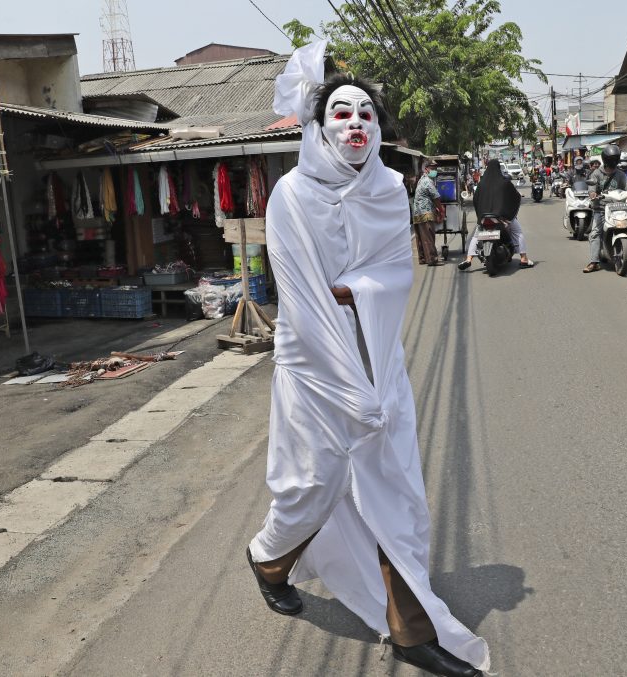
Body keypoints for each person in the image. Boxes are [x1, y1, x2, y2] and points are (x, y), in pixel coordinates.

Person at [248, 40, 488, 677]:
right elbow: (301, 299)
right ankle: (269, 559)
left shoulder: (388, 188)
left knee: (398, 494)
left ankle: (411, 630)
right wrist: (354, 392)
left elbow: (393, 270)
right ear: (319, 125)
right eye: (342, 114)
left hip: (379, 359)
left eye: (366, 115)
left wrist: (358, 289)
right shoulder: (291, 196)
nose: (356, 124)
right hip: (314, 371)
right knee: (311, 488)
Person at [458, 158, 532, 270]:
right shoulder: (505, 183)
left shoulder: (481, 185)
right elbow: (515, 196)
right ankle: (524, 258)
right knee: (517, 232)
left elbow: (476, 200)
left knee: (476, 236)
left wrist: (481, 214)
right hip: (502, 217)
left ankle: (469, 259)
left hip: (484, 218)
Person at [583, 144, 627, 273]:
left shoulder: (620, 174)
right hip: (601, 208)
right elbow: (591, 187)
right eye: (612, 158)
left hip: (618, 208)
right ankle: (594, 262)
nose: (614, 161)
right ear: (606, 159)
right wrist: (592, 194)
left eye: (616, 158)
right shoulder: (597, 173)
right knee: (595, 233)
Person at [413, 160, 444, 265]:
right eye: (432, 168)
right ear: (426, 169)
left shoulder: (421, 180)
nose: (434, 170)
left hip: (418, 212)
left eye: (435, 169)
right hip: (425, 212)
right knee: (428, 236)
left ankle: (422, 258)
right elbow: (436, 197)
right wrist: (441, 210)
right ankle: (432, 259)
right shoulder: (427, 181)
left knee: (421, 237)